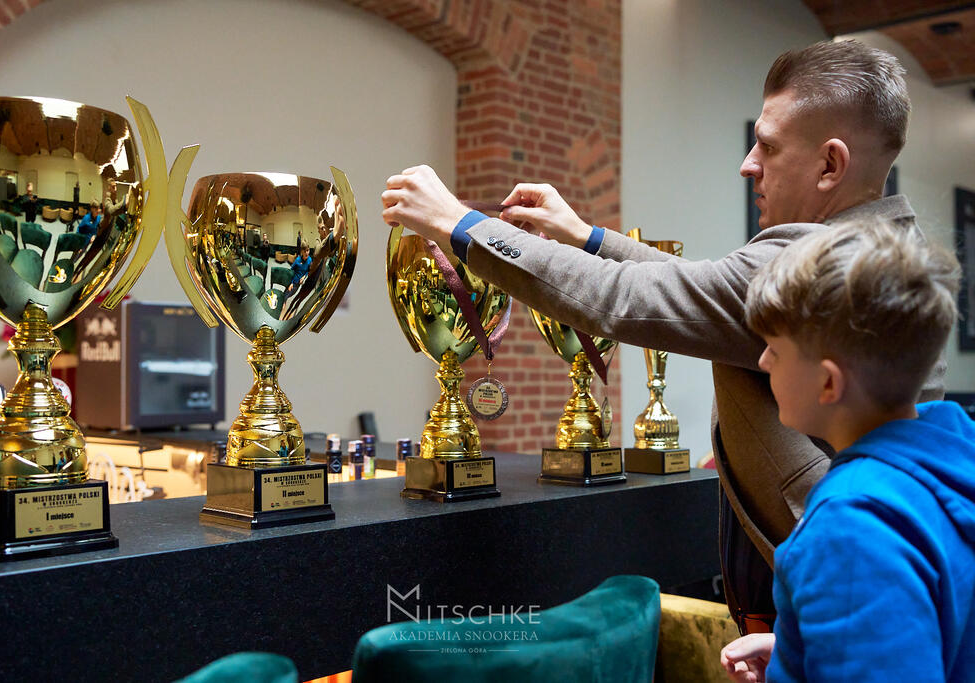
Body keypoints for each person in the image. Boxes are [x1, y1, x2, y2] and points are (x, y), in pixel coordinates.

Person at [380, 39, 945, 632]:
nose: (749, 163)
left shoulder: (825, 269)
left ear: (830, 165)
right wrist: (585, 237)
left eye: (769, 146)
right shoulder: (881, 249)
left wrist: (458, 224)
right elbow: (706, 287)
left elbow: (625, 298)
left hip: (840, 596)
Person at [719, 219, 972, 682]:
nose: (762, 361)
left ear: (828, 383)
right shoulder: (952, 457)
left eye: (775, 348)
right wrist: (805, 647)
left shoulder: (850, 530)